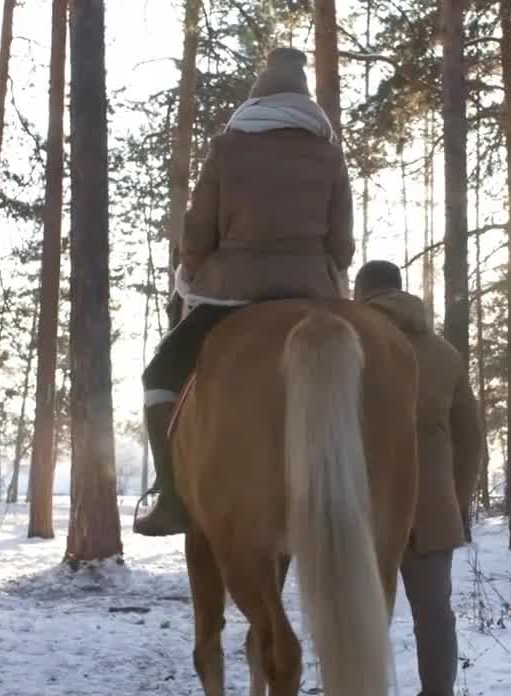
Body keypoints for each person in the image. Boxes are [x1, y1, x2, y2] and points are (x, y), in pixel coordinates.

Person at [134, 47, 354, 537]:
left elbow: (197, 234)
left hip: (231, 295)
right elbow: (342, 245)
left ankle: (172, 497)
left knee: (160, 377)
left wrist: (189, 276)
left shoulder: (228, 146)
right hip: (314, 295)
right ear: (304, 96)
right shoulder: (328, 151)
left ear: (259, 91)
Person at [353, 260, 484, 696]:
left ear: (361, 294)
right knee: (434, 617)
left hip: (365, 509)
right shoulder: (445, 353)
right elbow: (471, 441)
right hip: (431, 510)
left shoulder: (349, 344)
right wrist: (454, 501)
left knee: (361, 616)